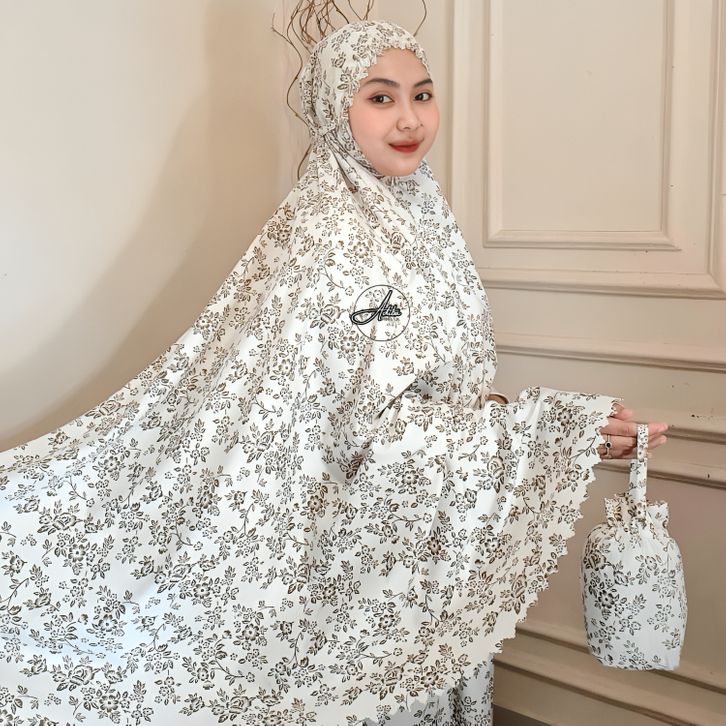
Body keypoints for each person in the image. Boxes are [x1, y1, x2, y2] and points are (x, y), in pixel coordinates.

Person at [0, 19, 667, 726]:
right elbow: (366, 429)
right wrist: (549, 432)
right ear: (334, 109)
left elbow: (419, 382)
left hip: (417, 535)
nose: (410, 119)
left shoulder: (415, 214)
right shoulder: (332, 236)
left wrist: (513, 419)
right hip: (347, 545)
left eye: (422, 94)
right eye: (380, 98)